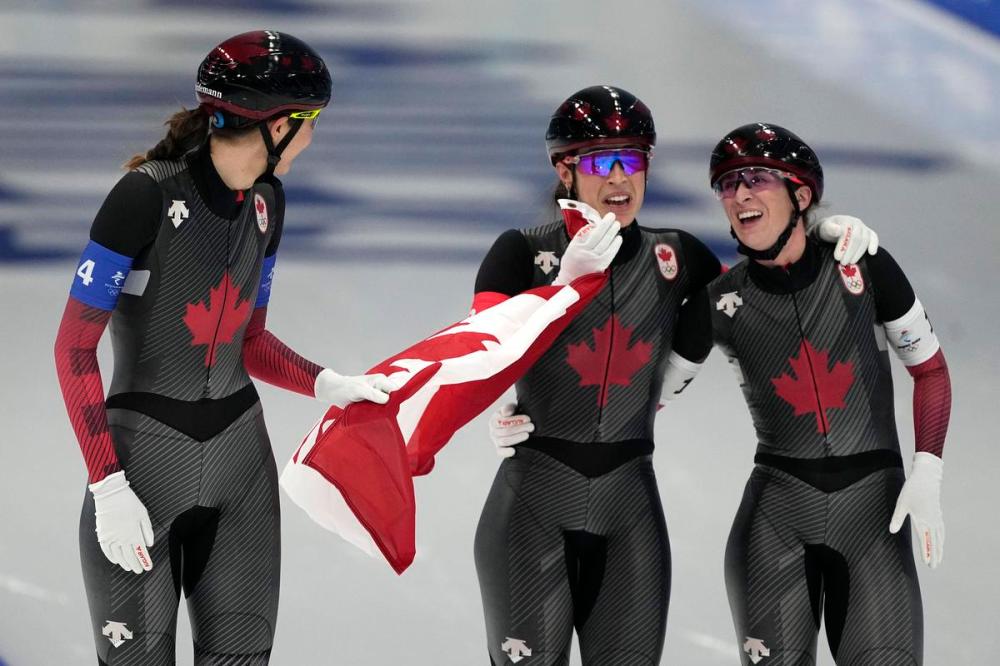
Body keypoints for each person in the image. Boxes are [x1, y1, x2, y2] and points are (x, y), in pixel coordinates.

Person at [474, 88, 875, 666]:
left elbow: (765, 288)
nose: (619, 178)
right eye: (600, 161)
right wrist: (493, 404)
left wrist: (818, 235)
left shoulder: (678, 258)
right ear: (564, 171)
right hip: (531, 507)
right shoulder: (518, 253)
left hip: (630, 514)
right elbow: (474, 350)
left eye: (632, 159)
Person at [53, 30, 394, 665]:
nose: (314, 138)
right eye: (311, 122)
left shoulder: (268, 201)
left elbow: (250, 340)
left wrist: (326, 382)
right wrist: (106, 483)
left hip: (242, 467)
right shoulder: (145, 196)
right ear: (277, 125)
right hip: (143, 472)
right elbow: (73, 350)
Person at [700, 123, 951, 664]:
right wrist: (522, 406)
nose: (740, 194)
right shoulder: (719, 302)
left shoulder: (863, 265)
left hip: (874, 521)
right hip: (774, 525)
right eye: (727, 184)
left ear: (802, 193)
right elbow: (643, 387)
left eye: (757, 178)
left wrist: (928, 467)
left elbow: (929, 371)